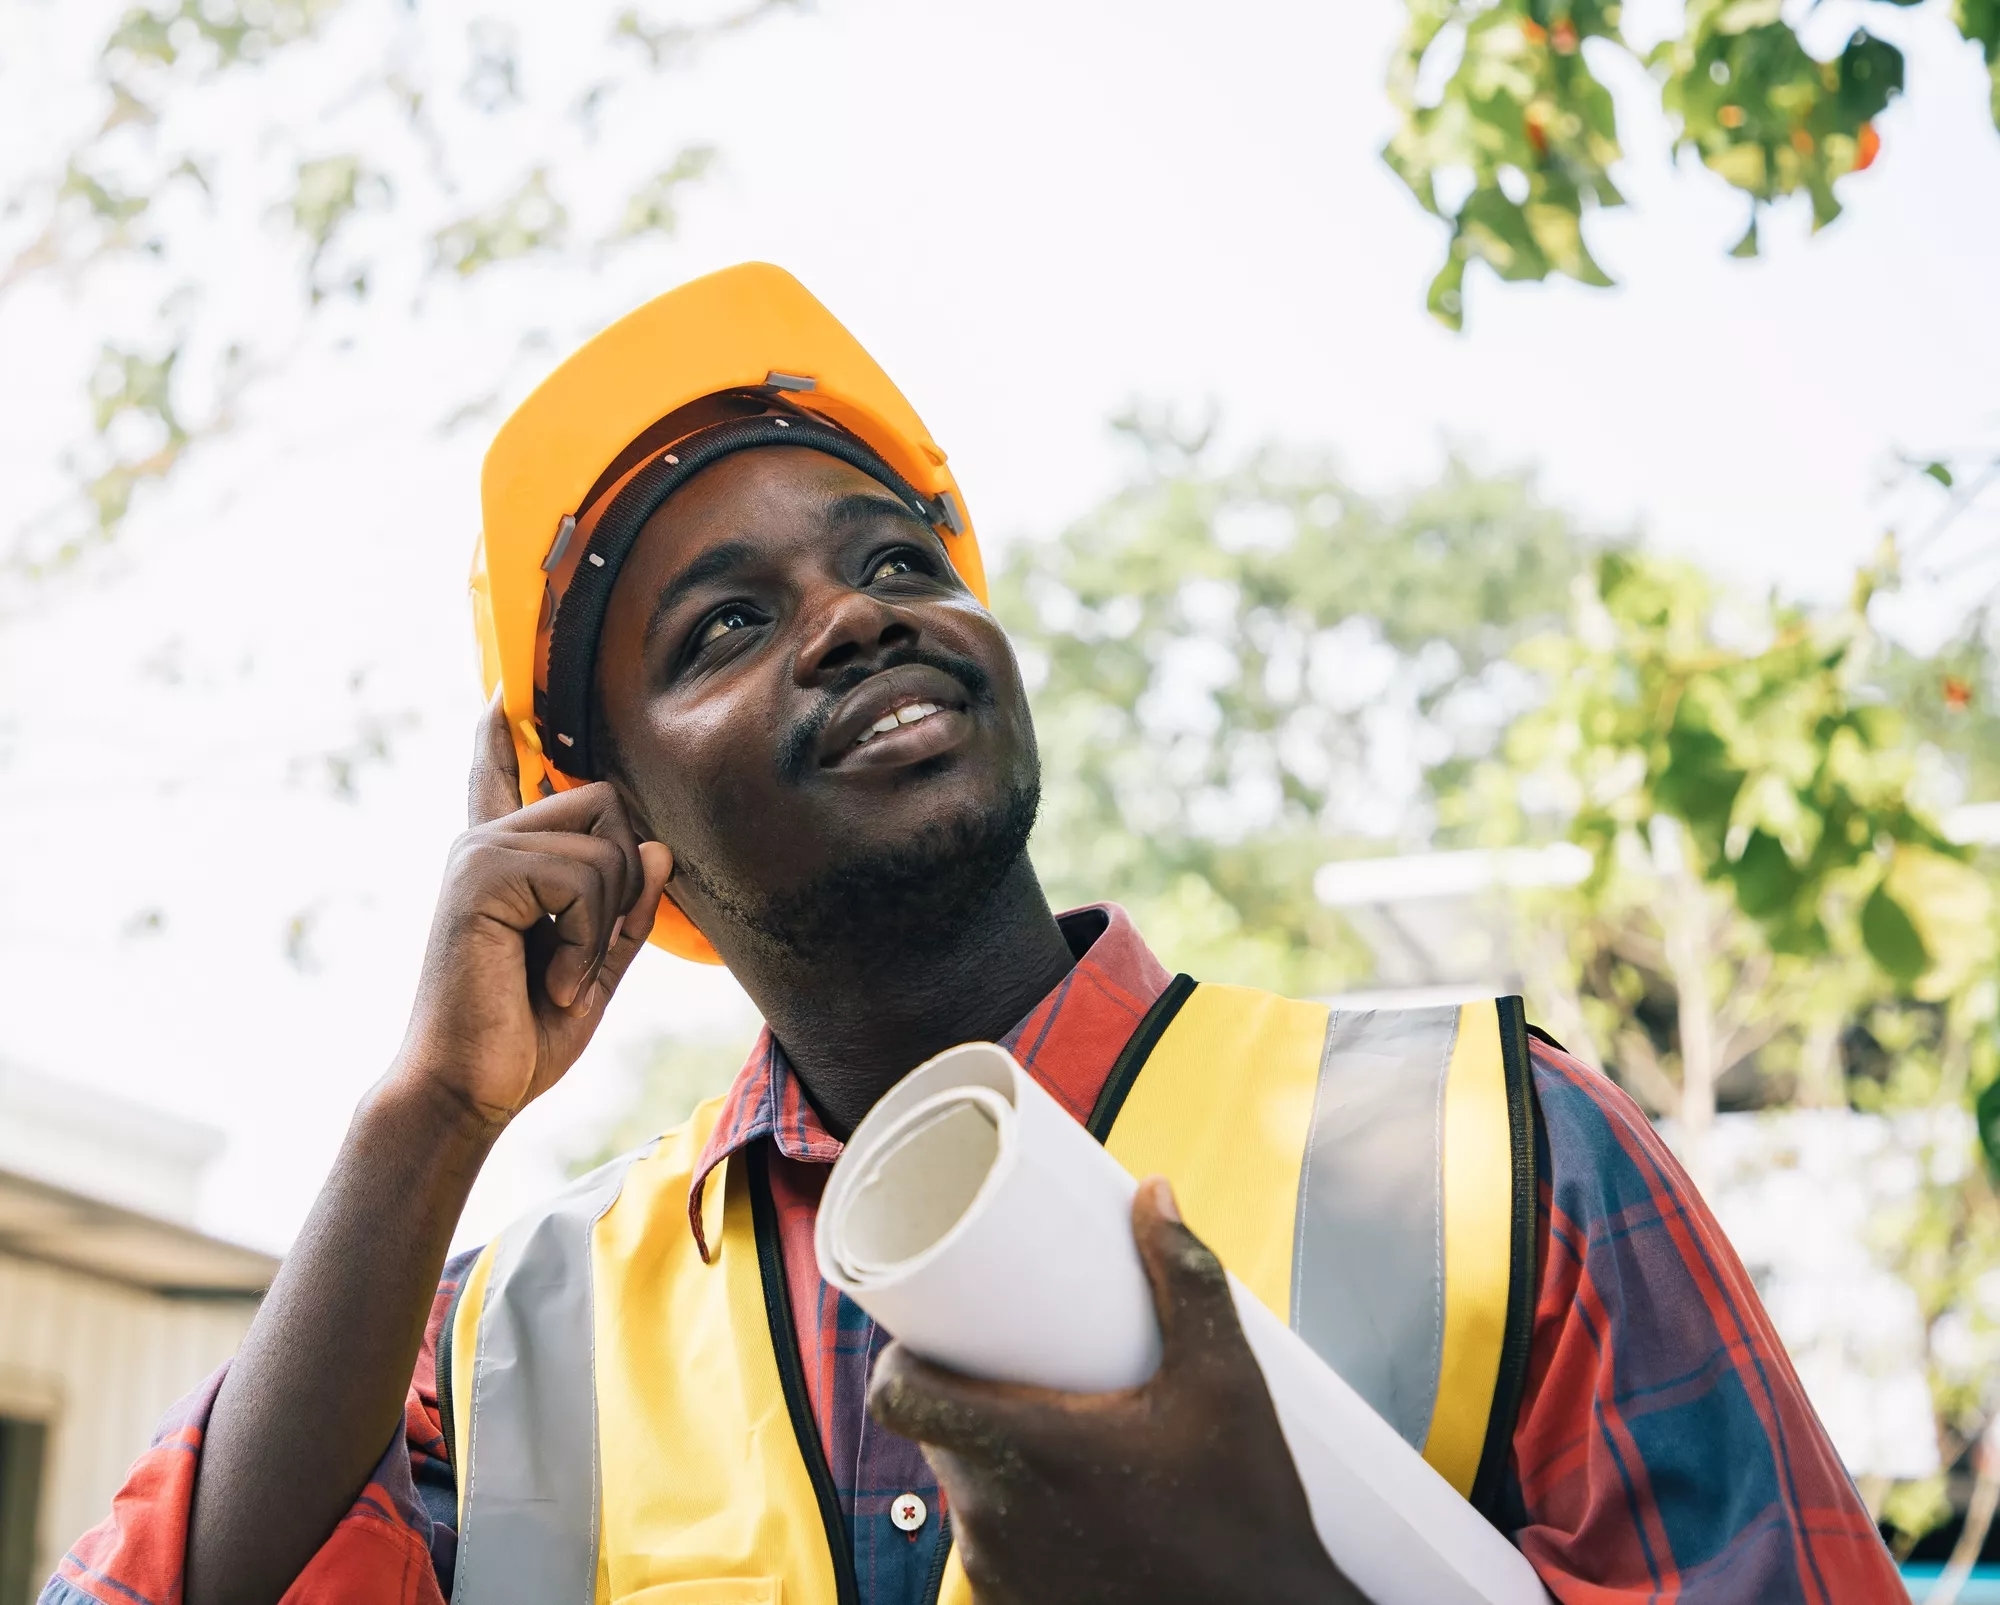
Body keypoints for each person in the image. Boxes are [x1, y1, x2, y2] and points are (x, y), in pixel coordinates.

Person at [47, 265, 1903, 1605]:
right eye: (721, 627)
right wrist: (426, 1119)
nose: (855, 620)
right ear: (612, 832)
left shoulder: (1505, 1157)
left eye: (898, 562)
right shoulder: (512, 1343)